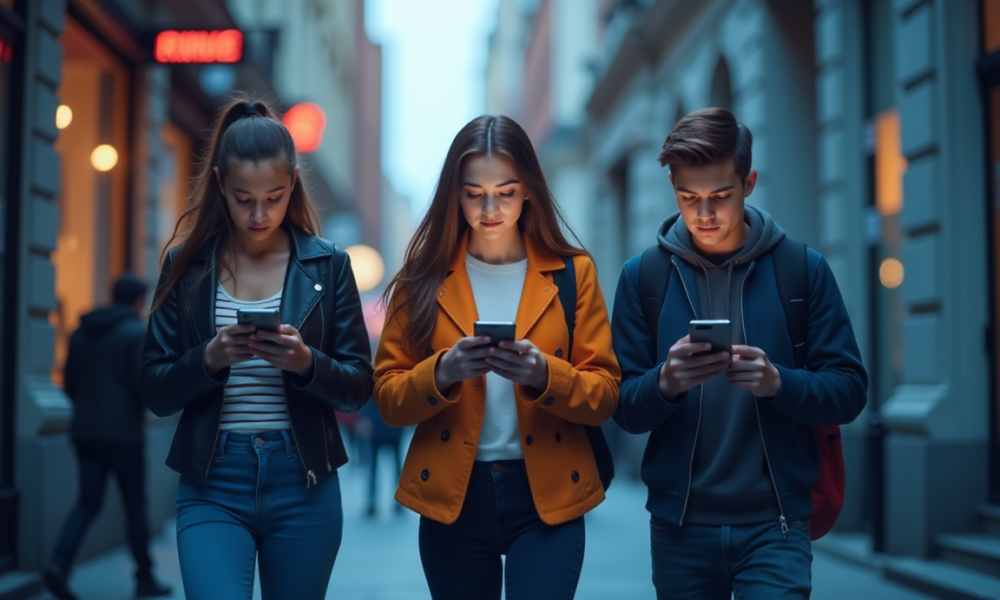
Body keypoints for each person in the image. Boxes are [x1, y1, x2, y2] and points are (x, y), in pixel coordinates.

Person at [611, 107, 868, 599]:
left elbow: (850, 390)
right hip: (679, 527)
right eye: (689, 198)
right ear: (671, 185)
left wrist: (779, 383)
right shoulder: (643, 278)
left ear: (748, 183)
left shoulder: (802, 270)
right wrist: (664, 383)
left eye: (720, 197)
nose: (704, 214)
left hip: (778, 524)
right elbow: (620, 406)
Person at [373, 115, 620, 600]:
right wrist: (441, 372)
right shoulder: (421, 278)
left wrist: (544, 374)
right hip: (453, 496)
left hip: (547, 490)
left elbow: (606, 394)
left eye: (505, 192)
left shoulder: (573, 273)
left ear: (528, 190)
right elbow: (386, 398)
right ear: (454, 194)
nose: (490, 208)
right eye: (473, 193)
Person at [140, 95, 374, 600]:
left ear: (292, 181)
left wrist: (306, 363)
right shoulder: (187, 265)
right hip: (212, 481)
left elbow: (359, 385)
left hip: (304, 481)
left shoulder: (328, 265)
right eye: (244, 198)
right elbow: (154, 389)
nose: (260, 213)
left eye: (273, 195)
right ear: (220, 183)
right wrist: (209, 358)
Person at [43, 273, 171, 600]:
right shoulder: (133, 334)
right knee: (134, 505)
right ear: (139, 301)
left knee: (87, 501)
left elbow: (69, 383)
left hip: (85, 430)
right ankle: (144, 579)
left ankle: (59, 563)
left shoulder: (79, 333)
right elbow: (139, 385)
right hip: (122, 434)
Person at [355, 397, 404, 517]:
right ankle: (375, 501)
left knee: (380, 467)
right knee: (382, 467)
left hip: (385, 427)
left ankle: (380, 501)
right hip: (385, 427)